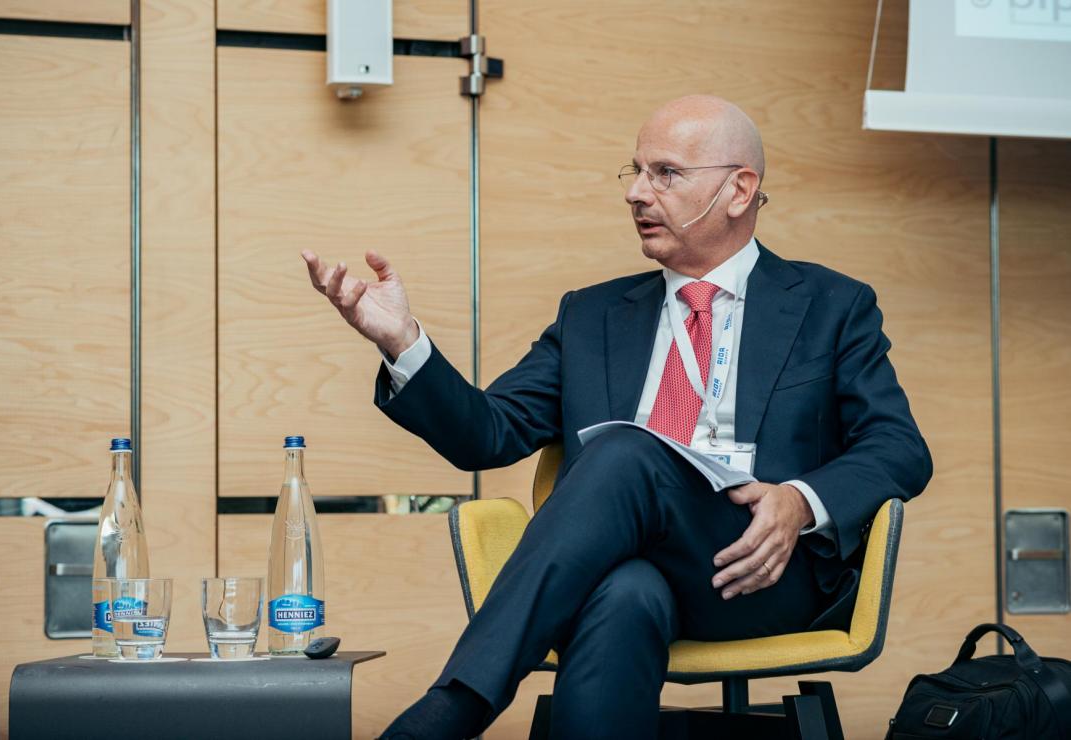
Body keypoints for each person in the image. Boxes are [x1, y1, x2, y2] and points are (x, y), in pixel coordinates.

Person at [301, 95, 932, 740]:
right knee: (624, 593)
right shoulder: (592, 316)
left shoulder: (831, 305)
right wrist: (403, 343)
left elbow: (899, 446)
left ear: (739, 190)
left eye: (666, 173)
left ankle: (449, 711)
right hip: (623, 564)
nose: (636, 192)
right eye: (635, 172)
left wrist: (799, 501)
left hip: (758, 565)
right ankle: (451, 709)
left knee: (625, 452)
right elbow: (485, 435)